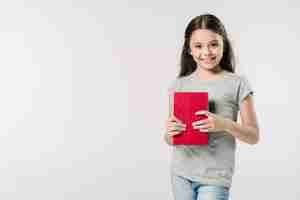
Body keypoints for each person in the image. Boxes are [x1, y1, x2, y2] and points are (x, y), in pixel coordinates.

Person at [164, 13, 260, 200]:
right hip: (180, 174)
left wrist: (223, 124)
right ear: (189, 50)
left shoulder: (237, 83)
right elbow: (170, 139)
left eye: (213, 44)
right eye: (198, 46)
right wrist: (170, 132)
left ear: (224, 44)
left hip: (215, 178)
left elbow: (254, 136)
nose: (206, 52)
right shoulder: (178, 85)